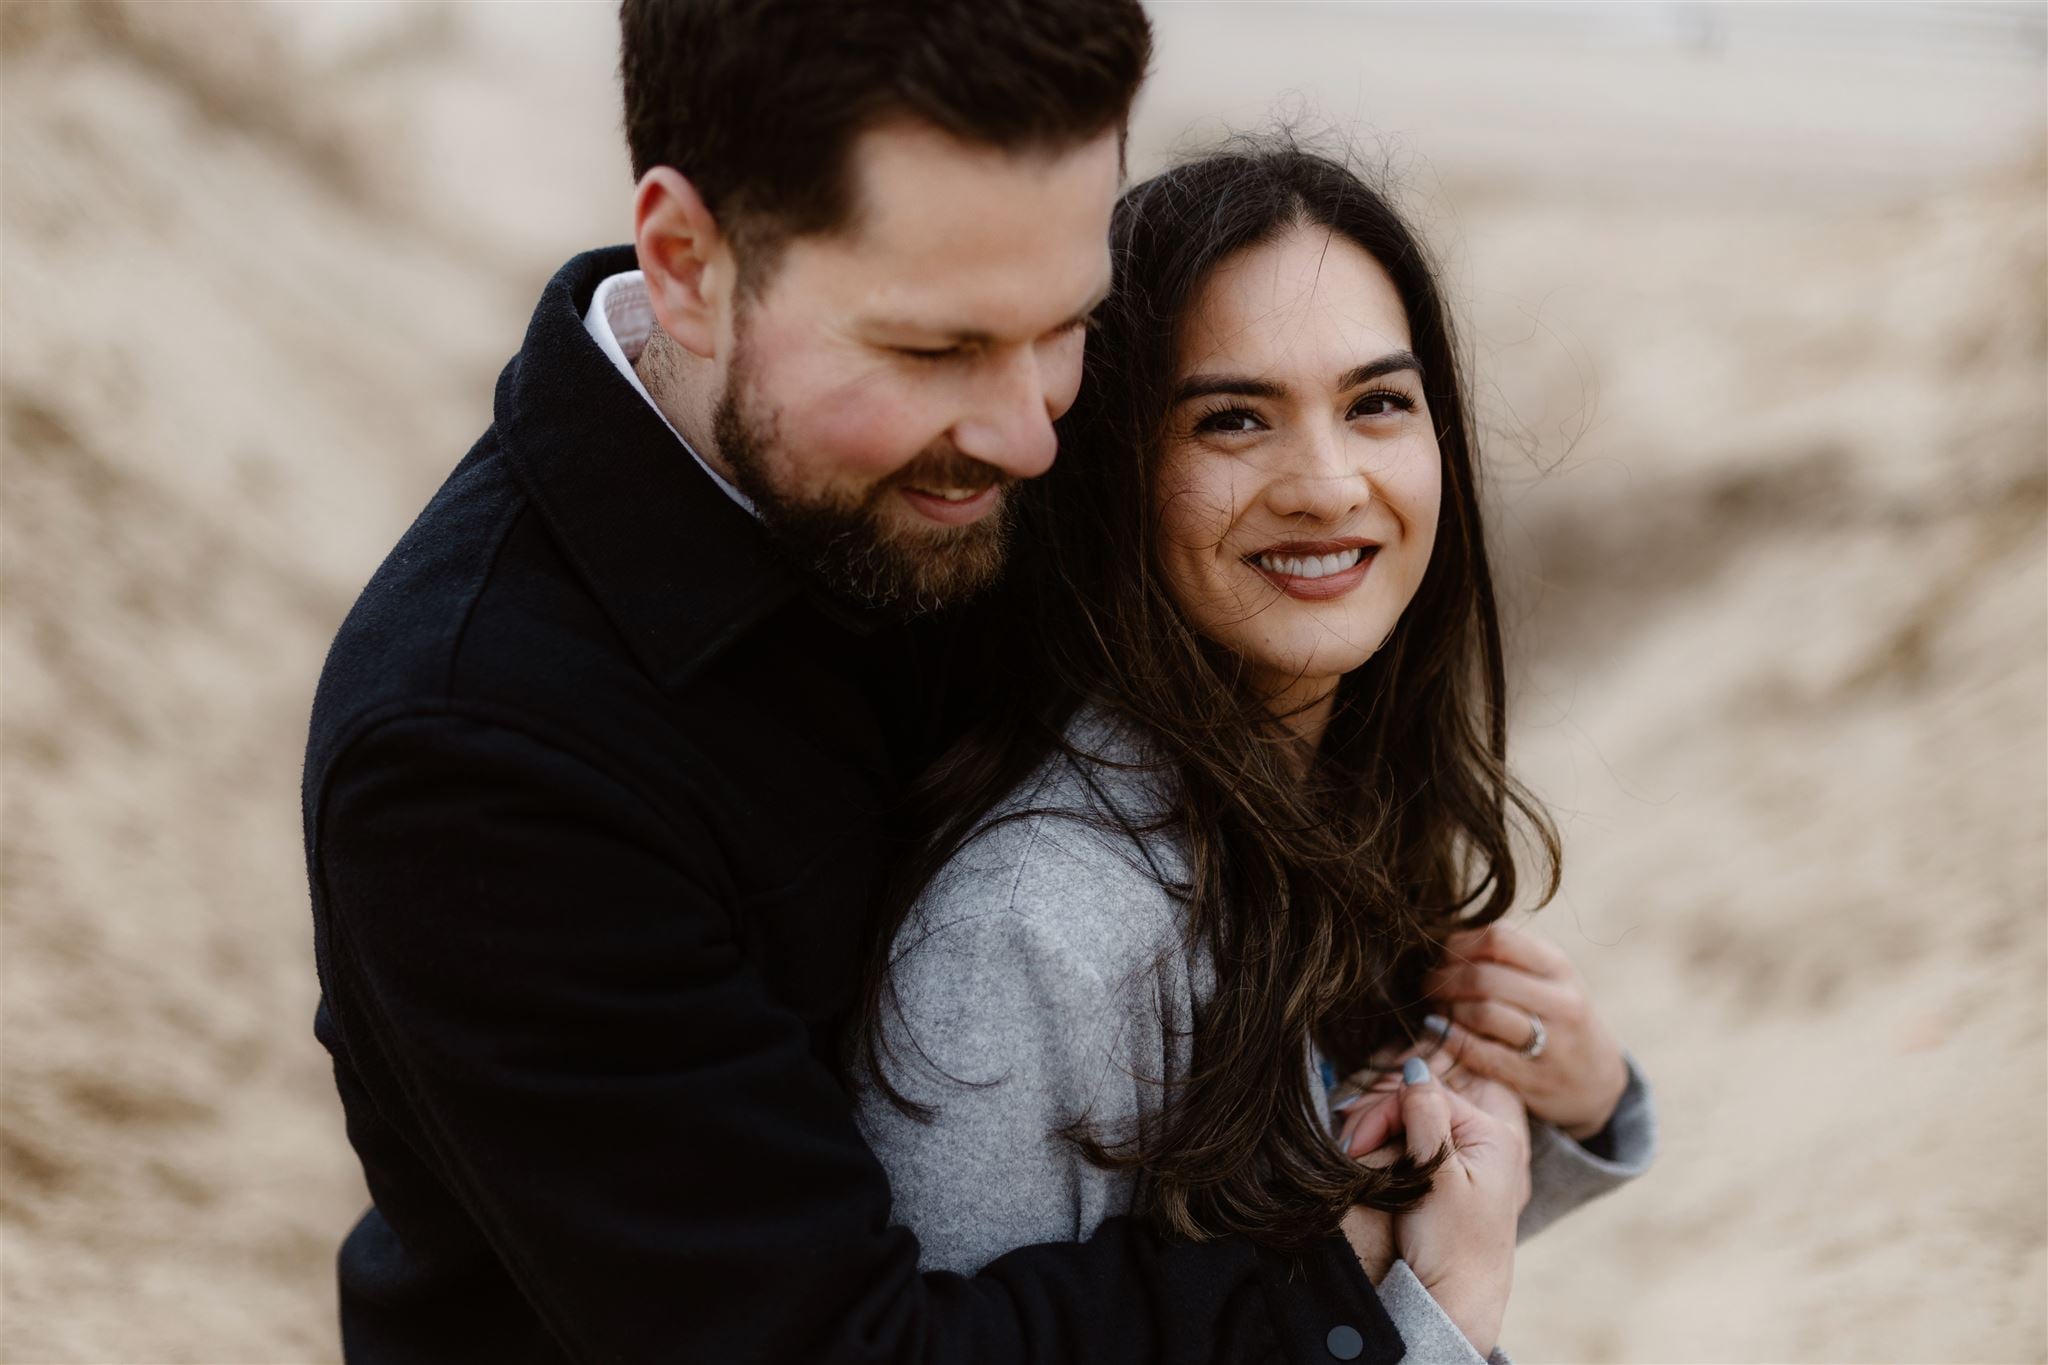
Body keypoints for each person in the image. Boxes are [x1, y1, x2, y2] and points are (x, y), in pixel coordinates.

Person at [300, 3, 1468, 1361]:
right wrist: (1322, 1276)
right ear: (687, 265)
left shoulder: (961, 461)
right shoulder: (477, 756)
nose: (1030, 438)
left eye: (1069, 325)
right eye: (936, 349)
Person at [848, 145, 1657, 1364]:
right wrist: (1446, 1317)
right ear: (1114, 470)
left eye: (1376, 403)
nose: (1327, 486)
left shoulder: (1324, 795)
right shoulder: (1029, 939)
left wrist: (1579, 1108)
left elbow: (1322, 1259)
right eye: (1231, 420)